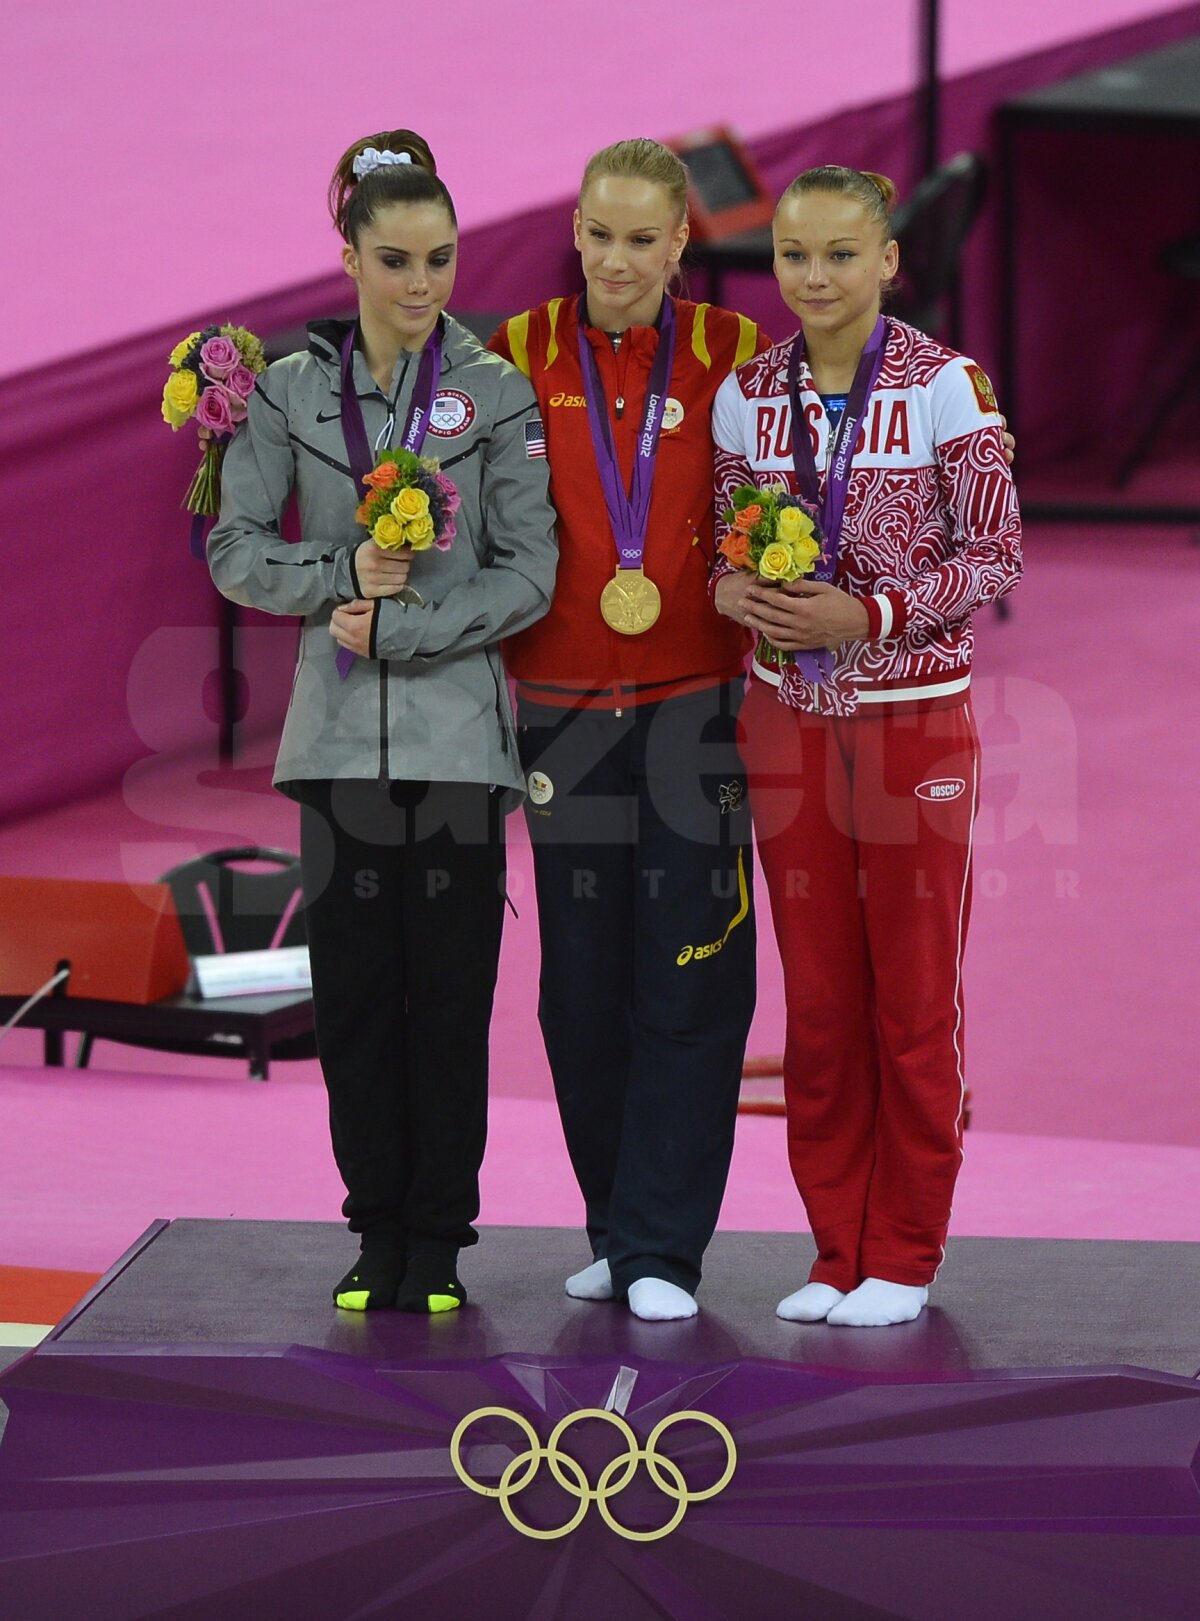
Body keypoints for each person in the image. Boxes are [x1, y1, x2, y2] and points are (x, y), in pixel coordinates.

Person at [207, 130, 557, 1314]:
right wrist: (342, 571)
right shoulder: (288, 391)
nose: (422, 284)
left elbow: (531, 571)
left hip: (461, 748)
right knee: (356, 1003)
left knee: (449, 1003)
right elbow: (235, 551)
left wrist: (410, 628)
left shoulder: (495, 389)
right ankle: (374, 1232)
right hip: (336, 743)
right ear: (349, 256)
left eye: (441, 259)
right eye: (397, 260)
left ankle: (439, 1239)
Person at [711, 166, 1021, 1327]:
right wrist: (733, 592)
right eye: (795, 254)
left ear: (888, 260)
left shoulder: (946, 386)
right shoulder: (749, 393)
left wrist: (872, 615)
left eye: (841, 253)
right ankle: (836, 1246)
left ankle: (906, 1250)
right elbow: (715, 546)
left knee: (913, 1000)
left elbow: (995, 553)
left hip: (911, 719)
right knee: (822, 1002)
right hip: (784, 721)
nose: (816, 276)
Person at [489, 139, 769, 1322]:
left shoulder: (734, 354)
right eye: (598, 235)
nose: (615, 260)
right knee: (582, 989)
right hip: (560, 715)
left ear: (679, 242)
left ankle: (665, 1246)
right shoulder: (513, 352)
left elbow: (776, 504)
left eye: (641, 239)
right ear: (576, 230)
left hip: (693, 711)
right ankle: (614, 1226)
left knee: (691, 978)